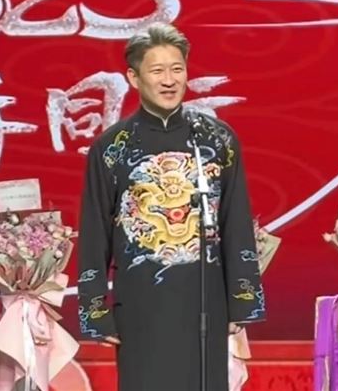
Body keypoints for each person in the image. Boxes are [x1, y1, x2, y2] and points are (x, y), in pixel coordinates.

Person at [77, 22, 265, 390]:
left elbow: (236, 220)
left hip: (205, 301)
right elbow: (95, 229)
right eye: (157, 71)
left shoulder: (217, 139)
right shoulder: (111, 147)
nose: (169, 80)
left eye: (177, 69)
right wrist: (94, 310)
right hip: (140, 303)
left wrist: (242, 299)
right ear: (134, 78)